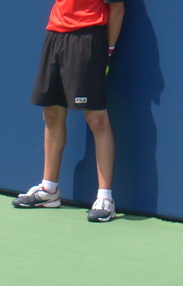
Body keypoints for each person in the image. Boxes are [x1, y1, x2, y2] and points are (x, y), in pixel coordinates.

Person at [12, 0, 125, 222]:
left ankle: (105, 199)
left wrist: (108, 52)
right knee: (52, 113)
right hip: (55, 34)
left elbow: (118, 9)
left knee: (96, 118)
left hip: (88, 38)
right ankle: (49, 190)